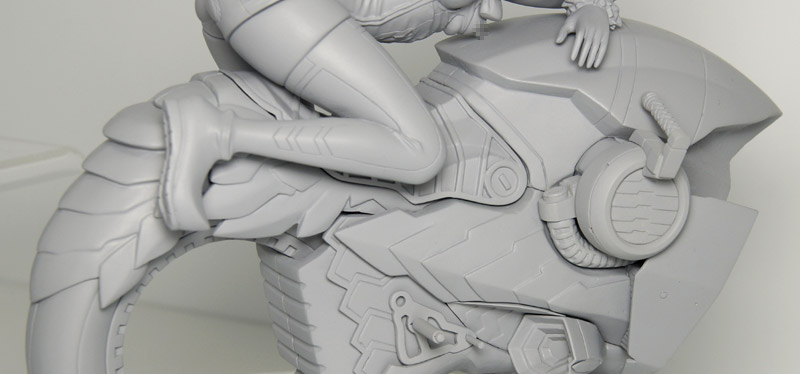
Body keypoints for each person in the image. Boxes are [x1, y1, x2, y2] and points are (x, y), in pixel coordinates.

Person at [159, 0, 621, 230]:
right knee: (419, 152)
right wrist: (590, 3)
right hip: (278, 11)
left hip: (239, 12)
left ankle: (201, 151)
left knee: (287, 149)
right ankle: (218, 132)